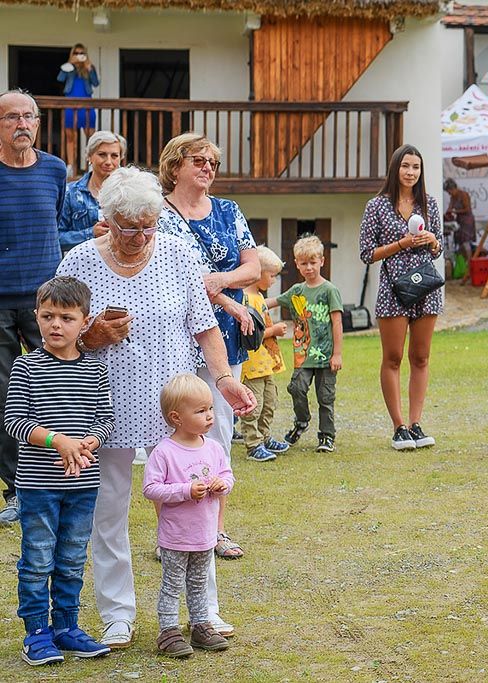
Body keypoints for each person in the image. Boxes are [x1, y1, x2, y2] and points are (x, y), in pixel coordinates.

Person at [56, 166, 255, 648]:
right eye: (129, 227)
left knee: (199, 507)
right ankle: (118, 614)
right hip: (103, 407)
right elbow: (56, 333)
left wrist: (224, 378)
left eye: (148, 225)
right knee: (109, 512)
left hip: (177, 409)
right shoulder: (79, 262)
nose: (140, 236)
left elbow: (205, 328)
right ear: (109, 219)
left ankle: (205, 610)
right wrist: (92, 335)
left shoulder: (178, 253)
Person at [156, 132, 259, 561]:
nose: (207, 169)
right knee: (174, 434)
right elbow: (179, 276)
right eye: (198, 160)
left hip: (223, 341)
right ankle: (170, 534)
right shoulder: (160, 214)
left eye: (212, 163)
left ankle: (215, 531)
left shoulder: (230, 211)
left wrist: (222, 283)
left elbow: (252, 265)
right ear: (175, 165)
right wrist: (225, 301)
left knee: (218, 432)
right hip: (177, 336)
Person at [4, 276, 114, 665]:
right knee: (37, 558)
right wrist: (58, 441)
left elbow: (105, 420)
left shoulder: (96, 371)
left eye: (66, 318)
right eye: (47, 315)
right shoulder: (26, 366)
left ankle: (67, 627)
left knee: (71, 558)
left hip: (83, 484)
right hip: (37, 486)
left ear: (84, 322)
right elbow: (14, 421)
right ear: (35, 315)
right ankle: (37, 633)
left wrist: (89, 443)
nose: (55, 325)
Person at [1, 89, 66, 527]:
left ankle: (64, 476)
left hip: (47, 301)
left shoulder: (55, 170)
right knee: (6, 395)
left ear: (38, 124)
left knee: (57, 390)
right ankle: (16, 491)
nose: (22, 124)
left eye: (29, 117)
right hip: (0, 303)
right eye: (11, 118)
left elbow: (57, 226)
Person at [359, 145, 443, 451]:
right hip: (393, 288)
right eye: (406, 166)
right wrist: (401, 243)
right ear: (395, 169)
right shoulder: (377, 206)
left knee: (421, 357)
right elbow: (366, 253)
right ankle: (399, 427)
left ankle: (416, 423)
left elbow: (439, 248)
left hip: (426, 288)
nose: (411, 172)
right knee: (392, 358)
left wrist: (432, 240)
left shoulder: (429, 203)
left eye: (416, 167)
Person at [143, 374, 234, 658]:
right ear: (176, 417)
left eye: (209, 409)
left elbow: (227, 475)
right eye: (200, 411)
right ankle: (168, 631)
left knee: (198, 583)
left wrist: (223, 484)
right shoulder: (164, 452)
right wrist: (184, 490)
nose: (209, 416)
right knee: (172, 583)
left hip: (204, 534)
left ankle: (200, 625)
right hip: (176, 536)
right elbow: (150, 488)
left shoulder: (214, 448)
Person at [268, 235, 343, 453]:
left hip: (326, 356)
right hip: (303, 355)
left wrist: (337, 354)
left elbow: (337, 323)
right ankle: (302, 421)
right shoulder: (296, 291)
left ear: (322, 261)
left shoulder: (330, 291)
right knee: (296, 388)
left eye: (313, 262)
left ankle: (326, 436)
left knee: (325, 397)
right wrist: (247, 302)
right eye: (304, 263)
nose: (309, 267)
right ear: (297, 264)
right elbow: (271, 302)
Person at [239, 246, 291, 462]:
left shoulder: (258, 297)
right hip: (252, 365)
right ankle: (253, 443)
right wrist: (274, 331)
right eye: (271, 276)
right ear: (257, 272)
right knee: (254, 405)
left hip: (265, 363)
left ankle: (265, 436)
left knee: (270, 402)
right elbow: (250, 334)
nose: (273, 281)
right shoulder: (244, 299)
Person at [57, 131, 126, 254]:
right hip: (82, 266)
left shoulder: (128, 193)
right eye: (102, 154)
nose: (108, 162)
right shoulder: (70, 193)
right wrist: (90, 233)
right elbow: (57, 238)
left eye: (114, 156)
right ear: (89, 156)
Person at [57, 44, 100, 176]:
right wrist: (70, 65)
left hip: (86, 106)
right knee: (71, 138)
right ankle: (71, 166)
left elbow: (96, 83)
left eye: (81, 52)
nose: (79, 55)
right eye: (76, 52)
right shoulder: (68, 67)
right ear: (72, 54)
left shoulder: (89, 67)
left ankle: (92, 164)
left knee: (91, 137)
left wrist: (89, 68)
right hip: (70, 105)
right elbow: (60, 78)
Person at [443, 178, 476, 270]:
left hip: (467, 221)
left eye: (450, 191)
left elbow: (467, 209)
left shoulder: (464, 195)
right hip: (459, 221)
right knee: (460, 244)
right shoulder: (452, 197)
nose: (449, 194)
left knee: (466, 243)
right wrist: (448, 213)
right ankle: (464, 266)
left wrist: (455, 211)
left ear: (454, 188)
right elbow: (450, 208)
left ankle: (470, 266)